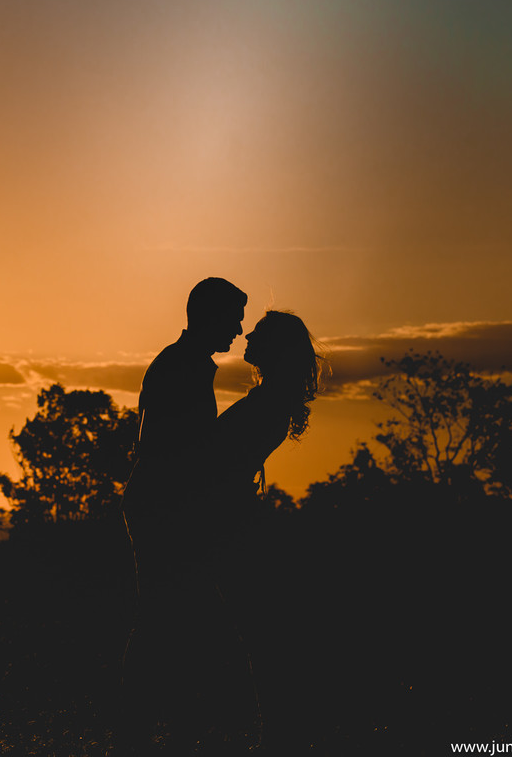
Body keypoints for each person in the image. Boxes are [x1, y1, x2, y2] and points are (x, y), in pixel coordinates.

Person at [119, 277, 247, 752]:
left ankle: (161, 726)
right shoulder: (183, 367)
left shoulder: (183, 363)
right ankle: (148, 729)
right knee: (165, 616)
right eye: (233, 319)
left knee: (167, 616)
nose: (238, 329)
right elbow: (174, 450)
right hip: (165, 508)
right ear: (210, 316)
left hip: (163, 505)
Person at [207, 310, 326, 752]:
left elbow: (219, 459)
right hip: (233, 517)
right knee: (258, 630)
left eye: (257, 332)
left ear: (275, 347)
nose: (246, 335)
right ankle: (279, 730)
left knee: (258, 632)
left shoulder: (269, 402)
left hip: (229, 522)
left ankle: (279, 733)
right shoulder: (271, 398)